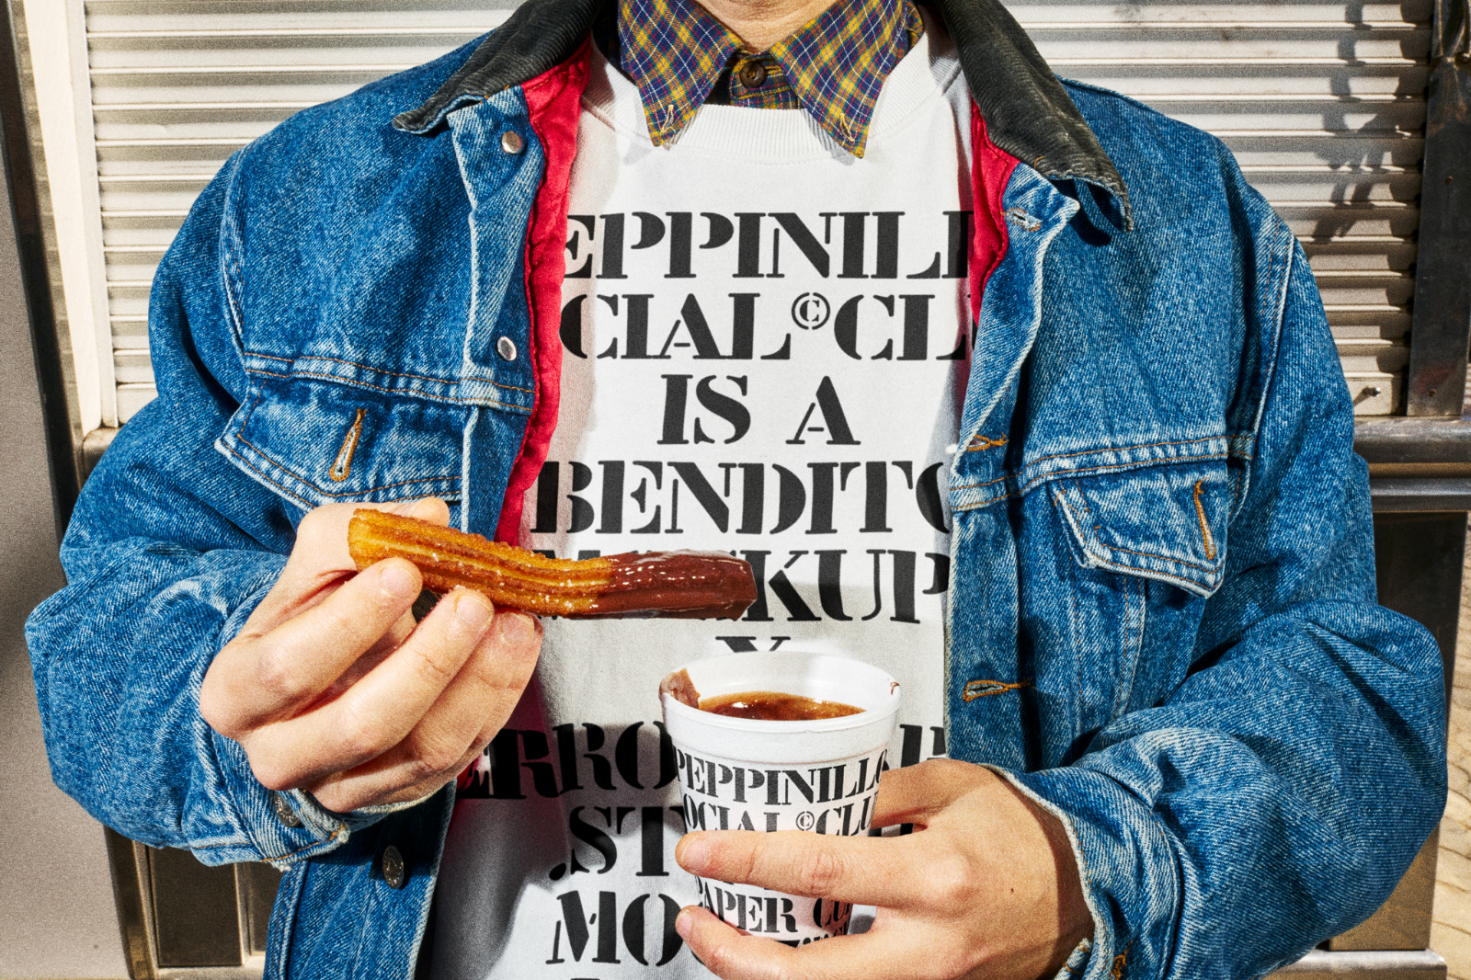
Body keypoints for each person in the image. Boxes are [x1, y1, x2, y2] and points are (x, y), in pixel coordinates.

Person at [25, 0, 1447, 977]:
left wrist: (1089, 873)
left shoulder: (1182, 223)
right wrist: (237, 714)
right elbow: (108, 640)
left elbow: (1349, 696)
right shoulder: (308, 198)